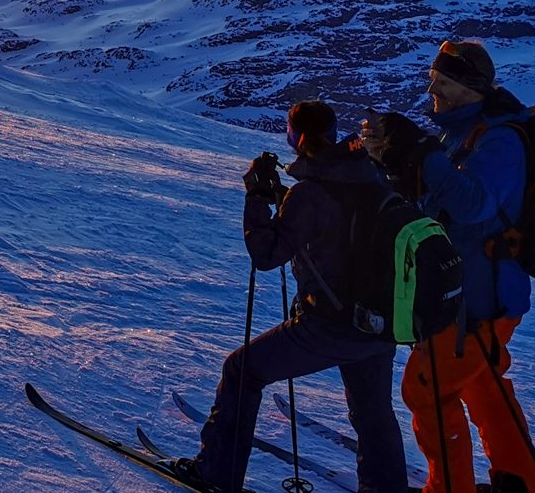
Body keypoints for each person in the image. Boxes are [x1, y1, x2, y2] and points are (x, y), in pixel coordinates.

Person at [171, 100, 408, 493]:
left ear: (296, 138)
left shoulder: (310, 192)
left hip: (328, 324)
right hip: (379, 322)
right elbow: (338, 225)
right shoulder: (371, 176)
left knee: (241, 371)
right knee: (373, 412)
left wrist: (256, 198)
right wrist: (284, 197)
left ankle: (215, 474)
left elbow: (267, 254)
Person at [361, 40, 535, 493]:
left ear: (471, 89)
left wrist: (425, 154)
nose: (433, 91)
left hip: (479, 299)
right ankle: (522, 483)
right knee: (483, 386)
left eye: (443, 83)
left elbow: (474, 207)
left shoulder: (501, 139)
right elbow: (434, 200)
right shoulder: (458, 131)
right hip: (463, 290)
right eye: (433, 80)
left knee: (425, 389)